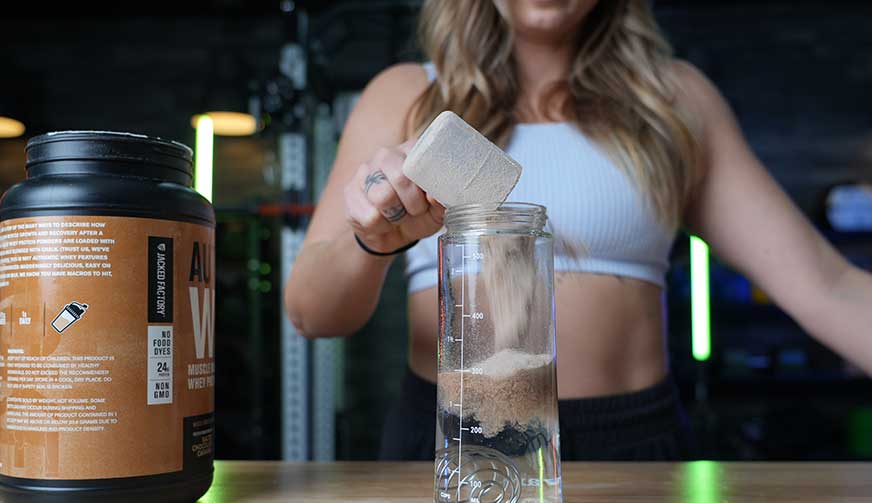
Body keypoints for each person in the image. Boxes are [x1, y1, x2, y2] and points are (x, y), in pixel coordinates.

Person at [284, 0, 872, 460]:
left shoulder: (674, 102)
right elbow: (311, 314)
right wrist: (371, 242)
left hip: (634, 448)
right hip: (454, 443)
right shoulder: (405, 94)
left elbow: (830, 287)